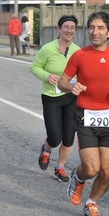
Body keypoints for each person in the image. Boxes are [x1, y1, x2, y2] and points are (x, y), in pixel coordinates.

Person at [58, 11, 109, 216]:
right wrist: (72, 86)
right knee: (91, 168)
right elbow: (61, 82)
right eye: (92, 27)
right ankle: (78, 177)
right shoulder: (79, 55)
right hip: (86, 116)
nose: (95, 31)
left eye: (100, 28)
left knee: (107, 170)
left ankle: (91, 203)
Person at [30, 15, 80, 182]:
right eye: (66, 27)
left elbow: (84, 73)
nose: (69, 30)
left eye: (72, 27)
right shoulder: (48, 48)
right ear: (59, 29)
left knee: (68, 137)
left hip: (71, 97)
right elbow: (34, 67)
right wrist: (47, 75)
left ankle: (60, 167)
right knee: (54, 136)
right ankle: (46, 148)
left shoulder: (78, 51)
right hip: (51, 96)